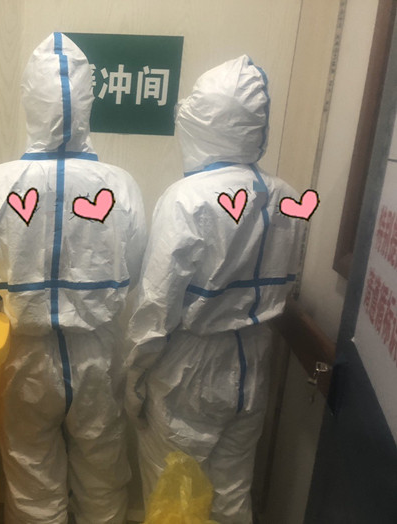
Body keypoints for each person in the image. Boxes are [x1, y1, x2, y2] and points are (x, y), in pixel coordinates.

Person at [0, 32, 146, 524]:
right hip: (97, 352)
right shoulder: (120, 185)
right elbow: (135, 267)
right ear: (87, 103)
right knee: (102, 475)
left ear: (29, 102)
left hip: (23, 354)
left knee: (30, 477)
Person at [125, 55, 305, 523]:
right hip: (255, 361)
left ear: (205, 121)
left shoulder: (187, 198)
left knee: (174, 494)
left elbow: (156, 306)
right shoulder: (287, 196)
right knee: (232, 492)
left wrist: (135, 378)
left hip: (190, 369)